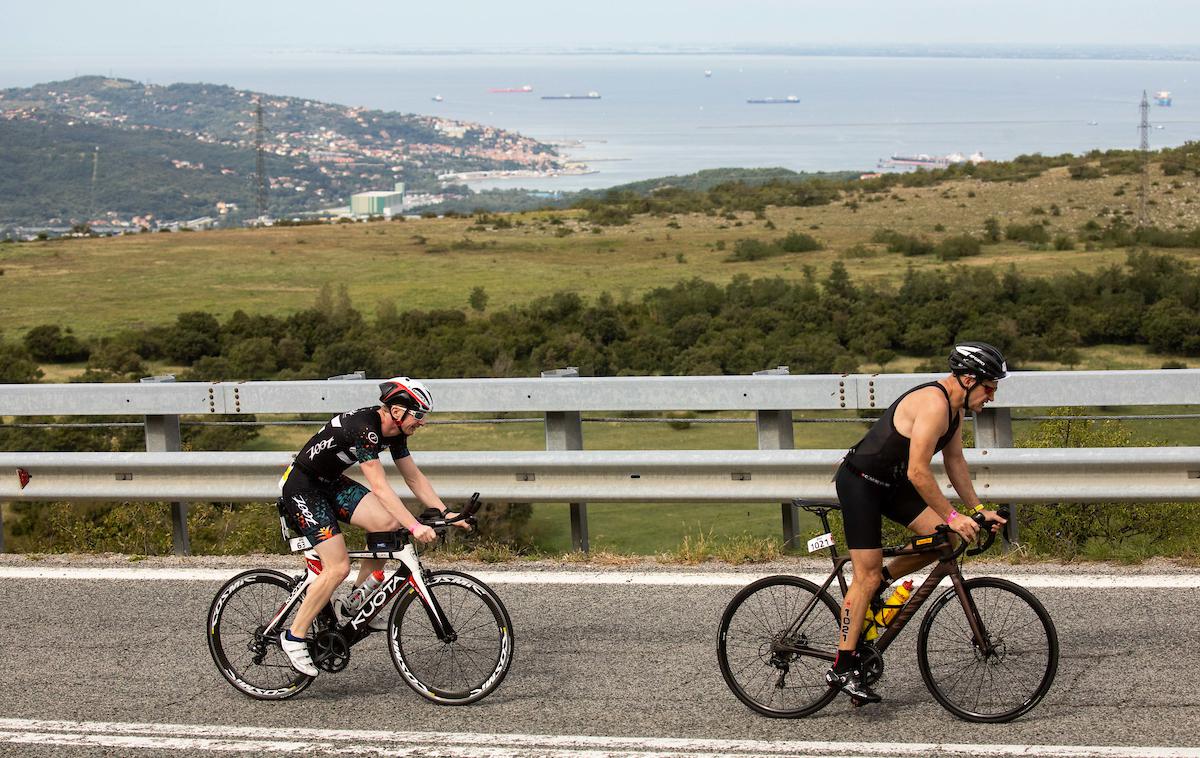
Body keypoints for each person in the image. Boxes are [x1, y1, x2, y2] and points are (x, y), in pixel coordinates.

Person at [825, 342, 1009, 704]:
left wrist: (977, 510)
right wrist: (953, 516)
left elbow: (954, 461)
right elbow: (918, 471)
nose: (992, 396)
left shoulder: (955, 411)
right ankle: (842, 666)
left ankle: (885, 583)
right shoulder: (934, 404)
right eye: (989, 387)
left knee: (946, 541)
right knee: (866, 573)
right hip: (861, 483)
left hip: (892, 486)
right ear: (969, 379)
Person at [276, 376, 469, 677]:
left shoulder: (394, 432)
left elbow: (414, 478)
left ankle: (355, 602)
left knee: (388, 523)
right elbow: (379, 487)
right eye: (418, 415)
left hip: (329, 483)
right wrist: (416, 526)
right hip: (302, 488)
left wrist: (446, 512)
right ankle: (294, 636)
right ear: (397, 411)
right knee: (337, 567)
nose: (423, 423)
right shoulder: (366, 429)